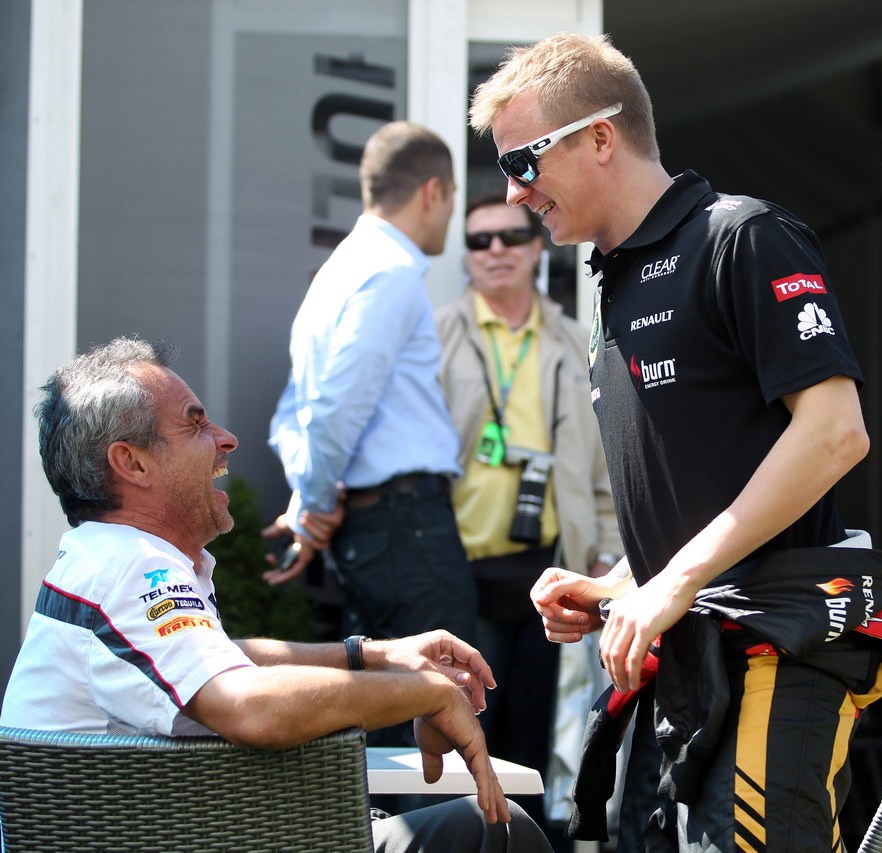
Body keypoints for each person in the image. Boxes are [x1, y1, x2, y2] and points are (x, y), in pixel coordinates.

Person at [469, 33, 882, 852]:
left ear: (600, 136)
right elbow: (709, 488)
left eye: (525, 161)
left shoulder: (741, 236)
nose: (512, 192)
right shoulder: (612, 278)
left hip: (776, 645)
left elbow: (834, 434)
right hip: (683, 662)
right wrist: (618, 585)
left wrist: (668, 580)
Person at [0, 337, 553, 853]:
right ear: (133, 462)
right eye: (195, 425)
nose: (226, 439)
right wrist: (425, 693)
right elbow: (248, 706)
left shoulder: (112, 558)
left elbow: (214, 665)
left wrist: (374, 655)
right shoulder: (133, 567)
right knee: (499, 834)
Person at [436, 190, 623, 846]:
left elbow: (603, 465)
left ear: (536, 246)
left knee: (534, 742)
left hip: (548, 570)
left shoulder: (577, 339)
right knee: (467, 735)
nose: (495, 252)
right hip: (464, 569)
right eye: (479, 240)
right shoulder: (436, 336)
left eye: (510, 236)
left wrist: (602, 551)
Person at [264, 121, 476, 655]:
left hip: (373, 532)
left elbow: (292, 414)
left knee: (387, 705)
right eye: (452, 199)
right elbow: (336, 407)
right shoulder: (392, 272)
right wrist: (314, 502)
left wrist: (311, 499)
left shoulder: (335, 273)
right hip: (406, 530)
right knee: (438, 705)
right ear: (434, 192)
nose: (450, 215)